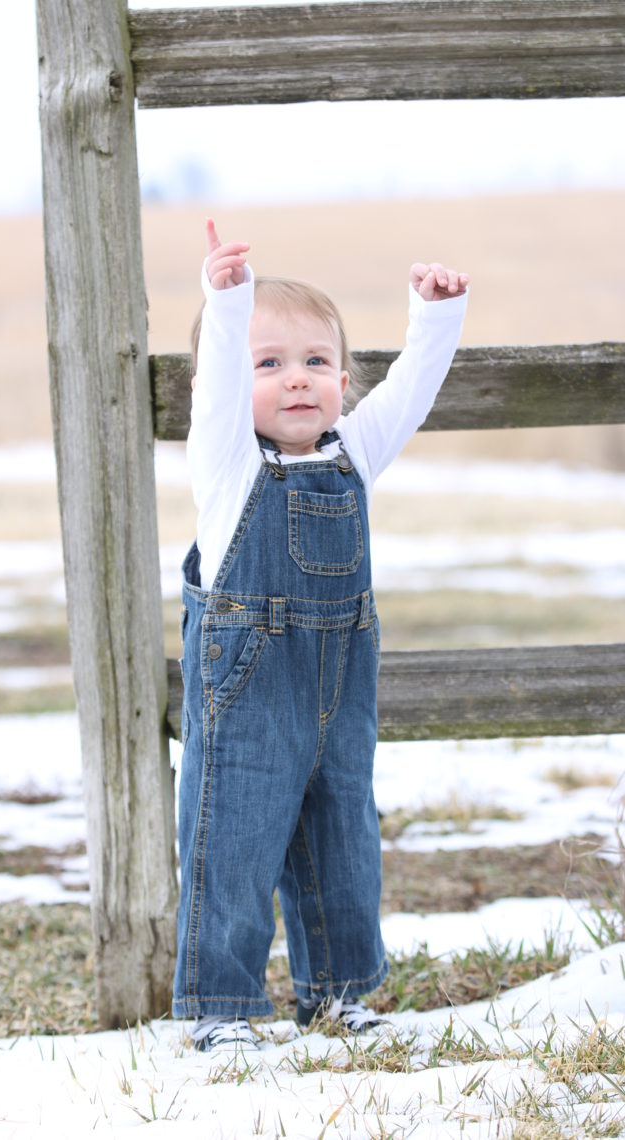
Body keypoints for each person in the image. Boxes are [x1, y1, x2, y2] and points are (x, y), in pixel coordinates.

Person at [175, 218, 469, 1055]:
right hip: (251, 692)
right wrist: (226, 304)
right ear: (231, 381)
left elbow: (409, 391)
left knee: (344, 835)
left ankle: (339, 997)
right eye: (268, 366)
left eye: (314, 362)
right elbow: (221, 389)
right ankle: (220, 1008)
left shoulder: (354, 452)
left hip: (340, 687)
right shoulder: (227, 461)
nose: (296, 381)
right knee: (232, 838)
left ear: (343, 377)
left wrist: (435, 317)